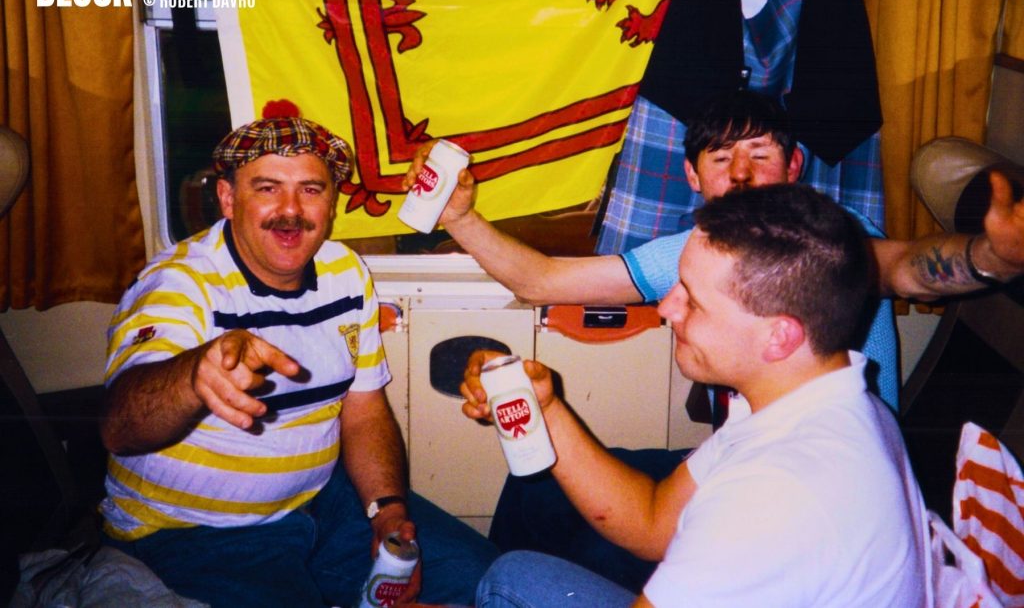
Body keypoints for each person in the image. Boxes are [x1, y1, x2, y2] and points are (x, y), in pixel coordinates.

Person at [404, 89, 1024, 591]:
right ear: (693, 177)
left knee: (529, 575)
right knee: (532, 491)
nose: (744, 175)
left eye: (760, 153)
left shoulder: (825, 248)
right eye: (722, 159)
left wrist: (987, 258)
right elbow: (543, 281)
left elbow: (912, 268)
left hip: (789, 493)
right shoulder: (701, 250)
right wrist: (458, 217)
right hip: (744, 451)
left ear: (795, 167)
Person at [462, 184, 931, 607]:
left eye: (692, 298)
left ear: (778, 338)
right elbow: (652, 522)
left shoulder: (778, 491)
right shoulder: (810, 397)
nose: (667, 308)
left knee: (510, 580)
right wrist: (544, 410)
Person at [99, 113, 497, 608]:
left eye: (311, 190)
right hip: (195, 533)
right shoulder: (179, 284)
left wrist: (387, 511)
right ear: (227, 198)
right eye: (267, 188)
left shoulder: (346, 273)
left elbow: (364, 410)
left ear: (331, 204)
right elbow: (121, 425)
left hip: (323, 504)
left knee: (487, 582)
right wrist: (192, 375)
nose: (290, 211)